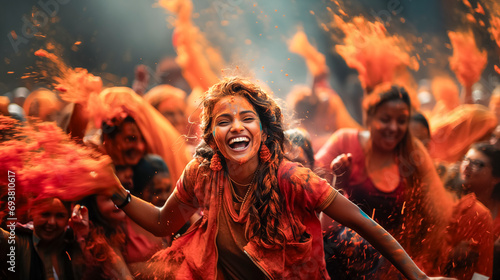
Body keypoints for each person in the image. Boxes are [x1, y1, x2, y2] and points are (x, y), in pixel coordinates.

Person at [108, 77, 454, 280]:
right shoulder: (201, 173)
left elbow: (366, 225)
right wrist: (116, 192)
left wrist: (419, 277)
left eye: (247, 117)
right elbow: (161, 222)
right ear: (212, 135)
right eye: (224, 121)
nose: (237, 127)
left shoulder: (293, 178)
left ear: (263, 129)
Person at [315, 83, 456, 277]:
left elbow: (436, 212)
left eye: (401, 121)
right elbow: (313, 193)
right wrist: (339, 181)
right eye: (385, 119)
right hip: (340, 260)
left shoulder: (413, 153)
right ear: (369, 117)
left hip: (394, 265)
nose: (393, 128)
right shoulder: (344, 141)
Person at [458, 143, 500, 279]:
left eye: (477, 164)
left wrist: (490, 251)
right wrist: (451, 252)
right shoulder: (450, 201)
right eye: (465, 159)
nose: (466, 166)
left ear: (496, 178)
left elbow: (482, 274)